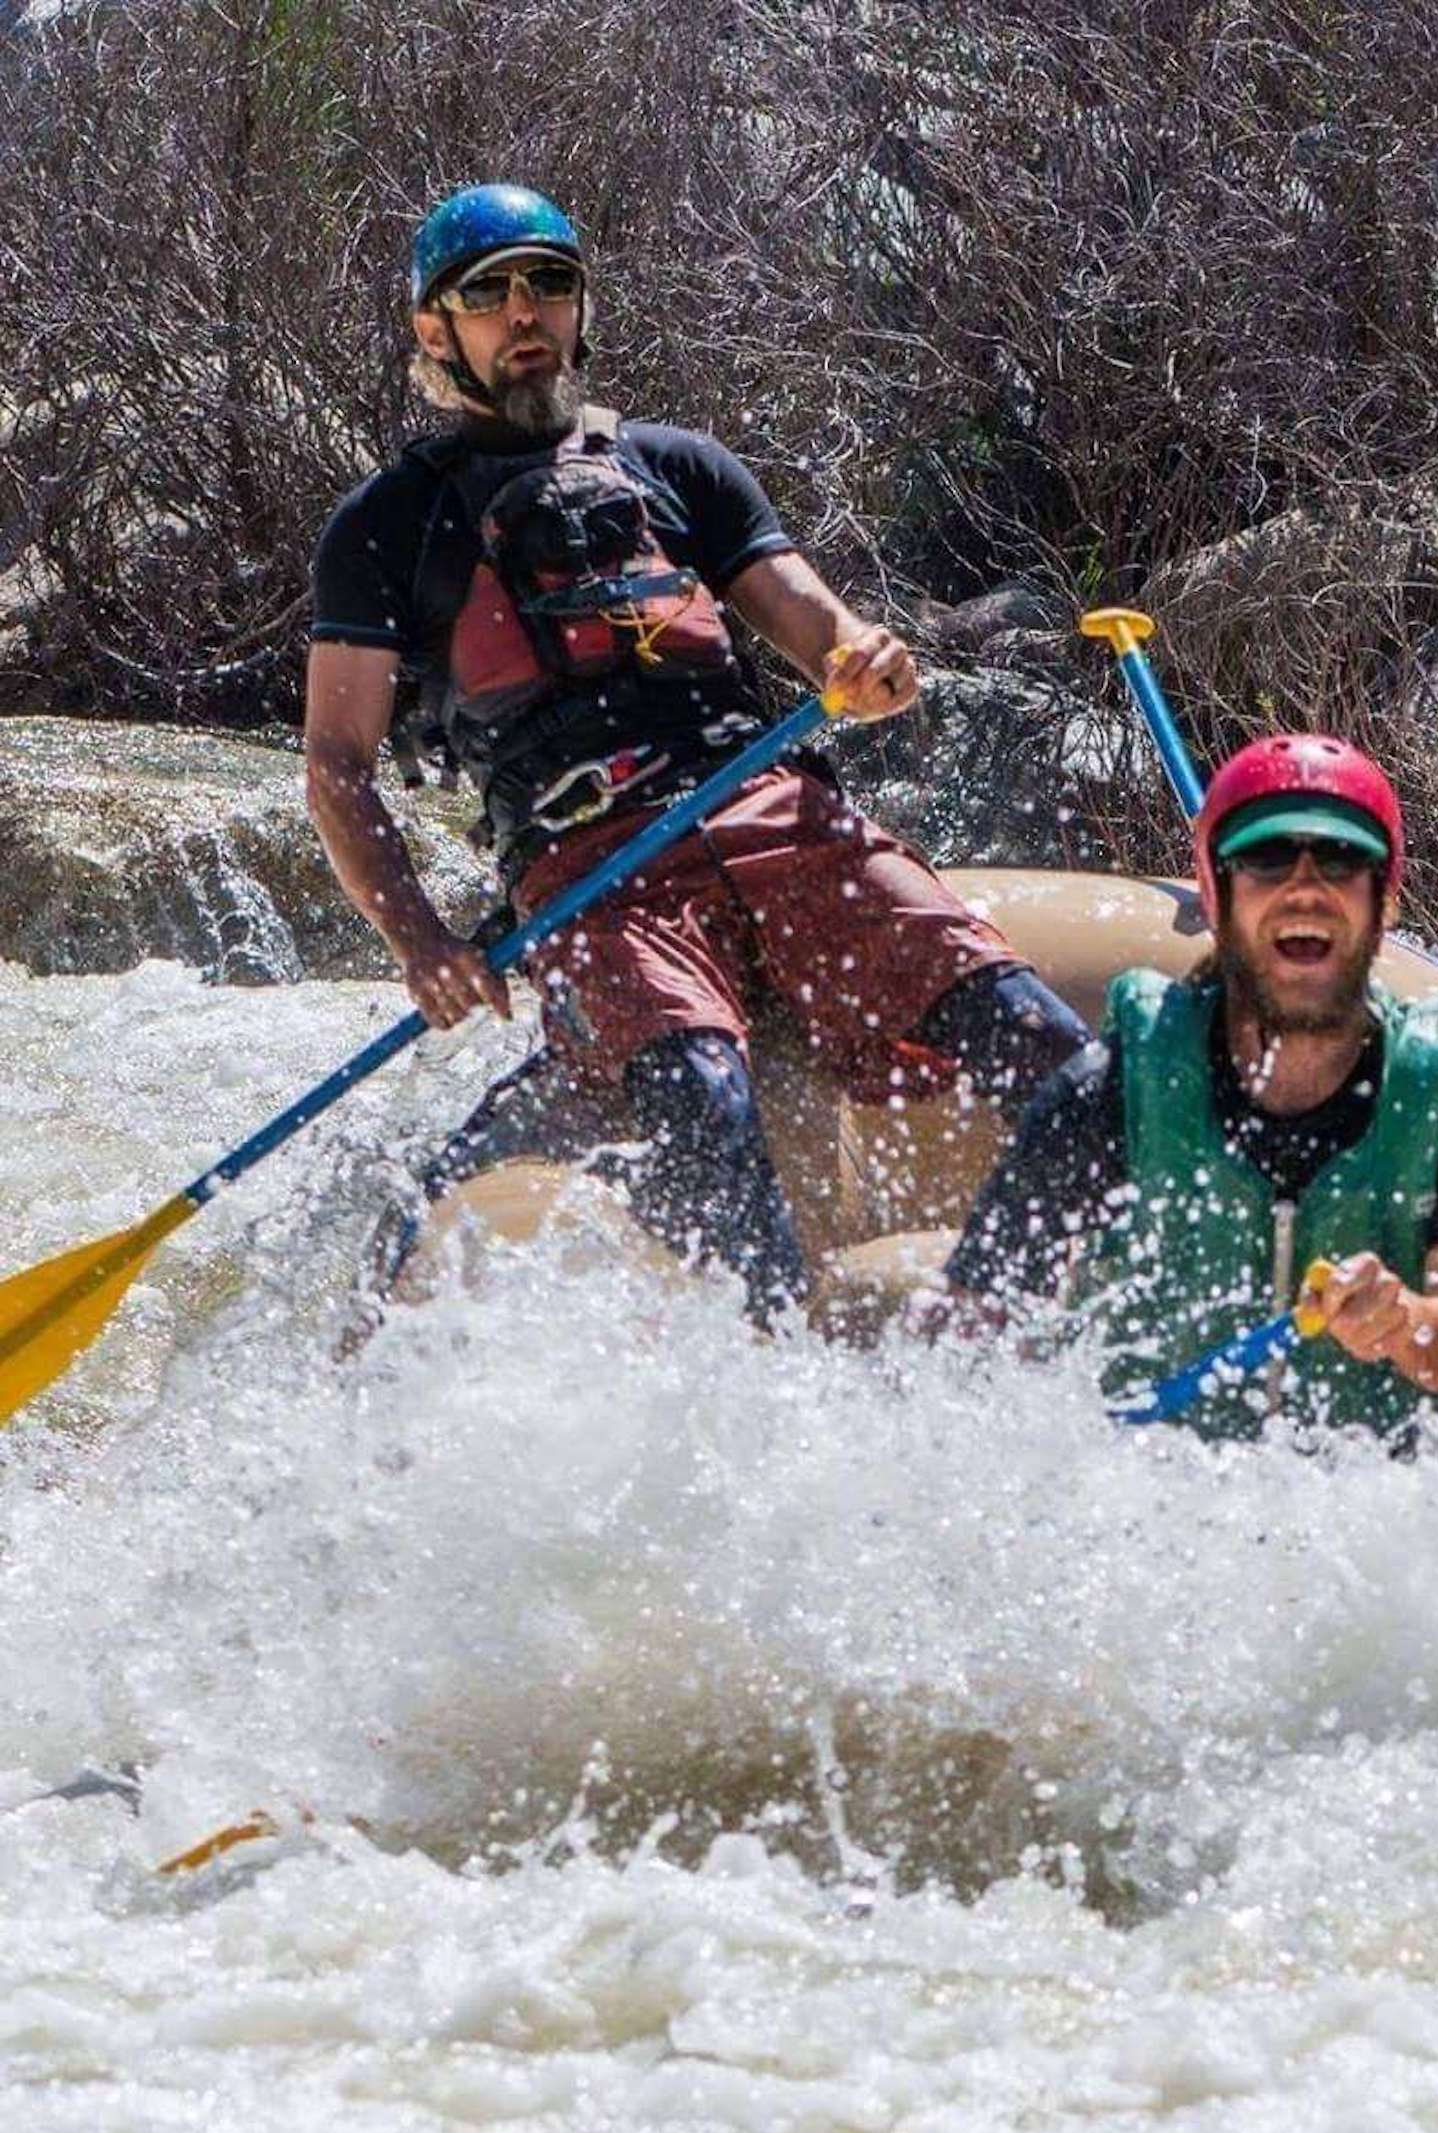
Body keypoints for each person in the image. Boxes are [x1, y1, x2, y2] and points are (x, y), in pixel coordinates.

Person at [305, 183, 1087, 1321]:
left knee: (1049, 1049)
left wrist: (866, 661)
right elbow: (336, 766)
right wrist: (420, 939)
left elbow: (818, 626)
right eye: (489, 294)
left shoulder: (681, 467)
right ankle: (783, 1362)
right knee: (702, 1105)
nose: (526, 313)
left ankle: (1025, 1306)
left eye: (550, 284)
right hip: (592, 872)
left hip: (774, 816)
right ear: (437, 330)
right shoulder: (383, 528)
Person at [944, 734, 1438, 1438]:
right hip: (1150, 1489)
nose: (1306, 887)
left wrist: (1404, 1322)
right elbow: (972, 1323)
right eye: (1266, 859)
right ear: (1216, 898)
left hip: (1360, 1504)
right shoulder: (1109, 1090)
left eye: (1344, 861)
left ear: (1386, 905)